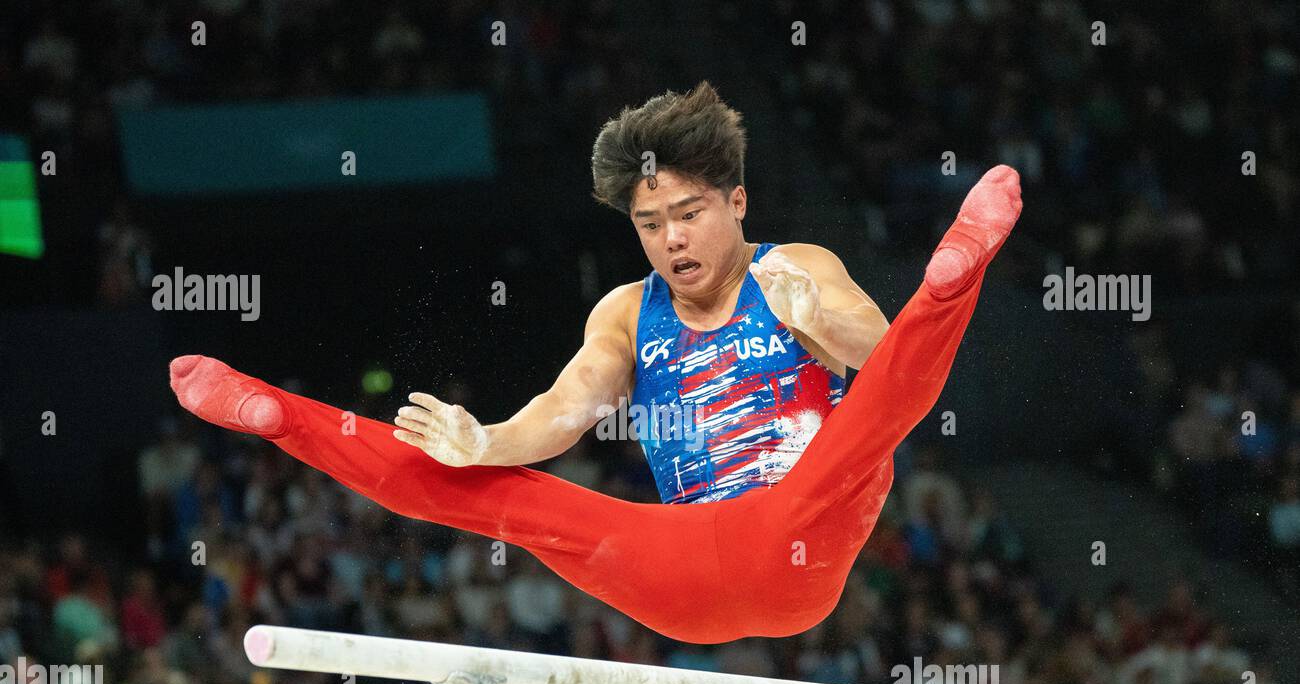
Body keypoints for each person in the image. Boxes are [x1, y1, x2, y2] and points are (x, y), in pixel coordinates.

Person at [169, 83, 1021, 644]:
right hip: (678, 565)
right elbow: (568, 407)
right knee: (491, 494)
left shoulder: (798, 265)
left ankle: (955, 272)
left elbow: (889, 376)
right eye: (650, 224)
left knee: (874, 419)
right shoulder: (624, 312)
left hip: (803, 536)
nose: (672, 239)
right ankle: (281, 418)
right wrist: (489, 440)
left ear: (737, 202)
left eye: (689, 214)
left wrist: (820, 327)